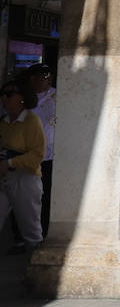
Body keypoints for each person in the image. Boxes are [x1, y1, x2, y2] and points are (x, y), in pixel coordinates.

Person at [0, 79, 46, 255]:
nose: (4, 98)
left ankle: (39, 274)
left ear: (22, 98)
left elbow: (37, 154)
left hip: (24, 179)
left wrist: (10, 163)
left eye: (9, 94)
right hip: (3, 178)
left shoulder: (31, 121)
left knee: (31, 232)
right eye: (2, 94)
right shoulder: (3, 122)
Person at [25, 64, 55, 236]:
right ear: (33, 79)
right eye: (44, 74)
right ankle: (23, 236)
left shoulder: (58, 95)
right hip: (27, 155)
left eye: (49, 74)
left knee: (46, 195)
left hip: (50, 156)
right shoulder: (24, 98)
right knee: (28, 198)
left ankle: (43, 232)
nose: (49, 78)